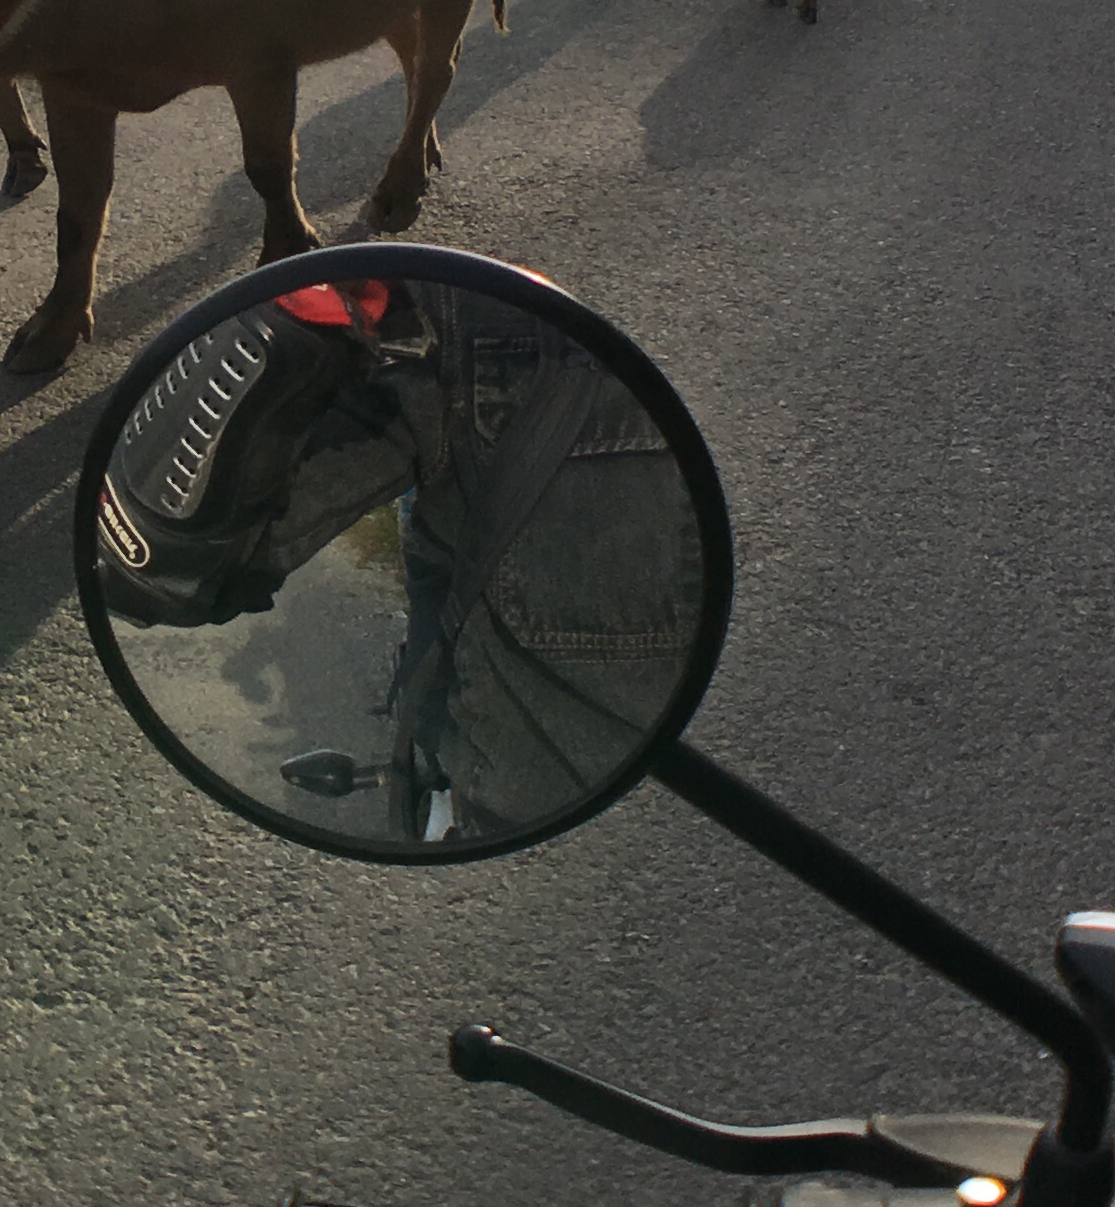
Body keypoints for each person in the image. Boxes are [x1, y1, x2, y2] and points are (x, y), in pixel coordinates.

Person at [93, 279, 705, 843]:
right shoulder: (456, 328)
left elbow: (154, 570)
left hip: (497, 820)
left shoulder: (463, 332)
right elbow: (153, 570)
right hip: (651, 810)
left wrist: (279, 331)